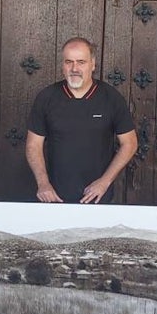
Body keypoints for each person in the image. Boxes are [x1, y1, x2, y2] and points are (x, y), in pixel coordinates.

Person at [25, 37, 137, 205]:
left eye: (81, 62)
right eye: (69, 62)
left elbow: (130, 143)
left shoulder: (111, 98)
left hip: (98, 198)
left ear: (93, 64)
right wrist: (43, 184)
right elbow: (33, 145)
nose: (74, 68)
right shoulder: (47, 97)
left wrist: (104, 182)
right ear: (62, 65)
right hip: (54, 197)